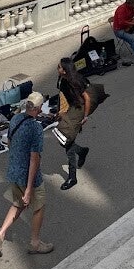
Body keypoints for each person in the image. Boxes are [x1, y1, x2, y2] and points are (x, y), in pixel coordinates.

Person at [0, 91, 53, 256]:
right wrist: (29, 189)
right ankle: (35, 243)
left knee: (18, 204)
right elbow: (34, 159)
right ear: (38, 108)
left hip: (14, 171)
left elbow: (10, 143)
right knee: (39, 206)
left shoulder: (16, 119)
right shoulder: (35, 128)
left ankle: (0, 235)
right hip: (28, 176)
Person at [54, 58, 91, 191]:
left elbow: (87, 98)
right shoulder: (62, 79)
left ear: (64, 70)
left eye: (59, 67)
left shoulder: (75, 81)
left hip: (76, 112)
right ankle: (81, 151)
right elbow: (62, 97)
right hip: (68, 111)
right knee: (65, 141)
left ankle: (72, 177)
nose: (57, 68)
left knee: (67, 143)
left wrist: (85, 116)